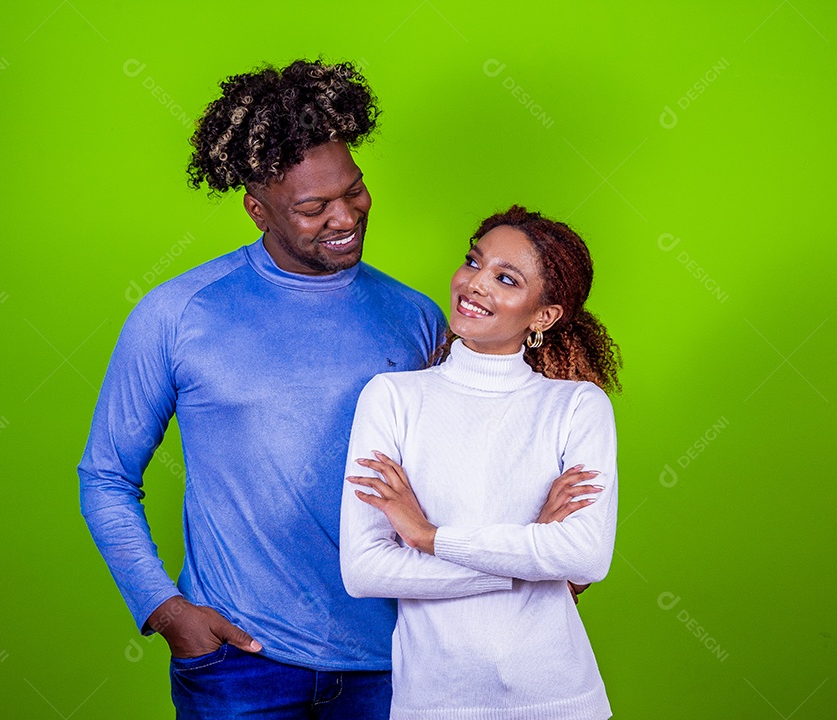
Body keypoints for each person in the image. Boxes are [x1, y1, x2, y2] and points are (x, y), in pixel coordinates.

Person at [77, 59, 451, 719]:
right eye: (313, 208)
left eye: (355, 190)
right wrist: (166, 610)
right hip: (239, 666)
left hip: (396, 660)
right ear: (257, 210)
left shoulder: (416, 315)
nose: (346, 216)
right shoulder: (178, 313)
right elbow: (106, 475)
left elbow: (454, 474)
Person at [340, 205, 623, 719]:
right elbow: (365, 570)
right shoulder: (392, 397)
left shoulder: (577, 406)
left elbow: (585, 559)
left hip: (558, 698)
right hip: (433, 701)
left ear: (543, 316)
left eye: (506, 279)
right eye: (474, 262)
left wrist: (428, 537)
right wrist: (529, 559)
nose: (475, 284)